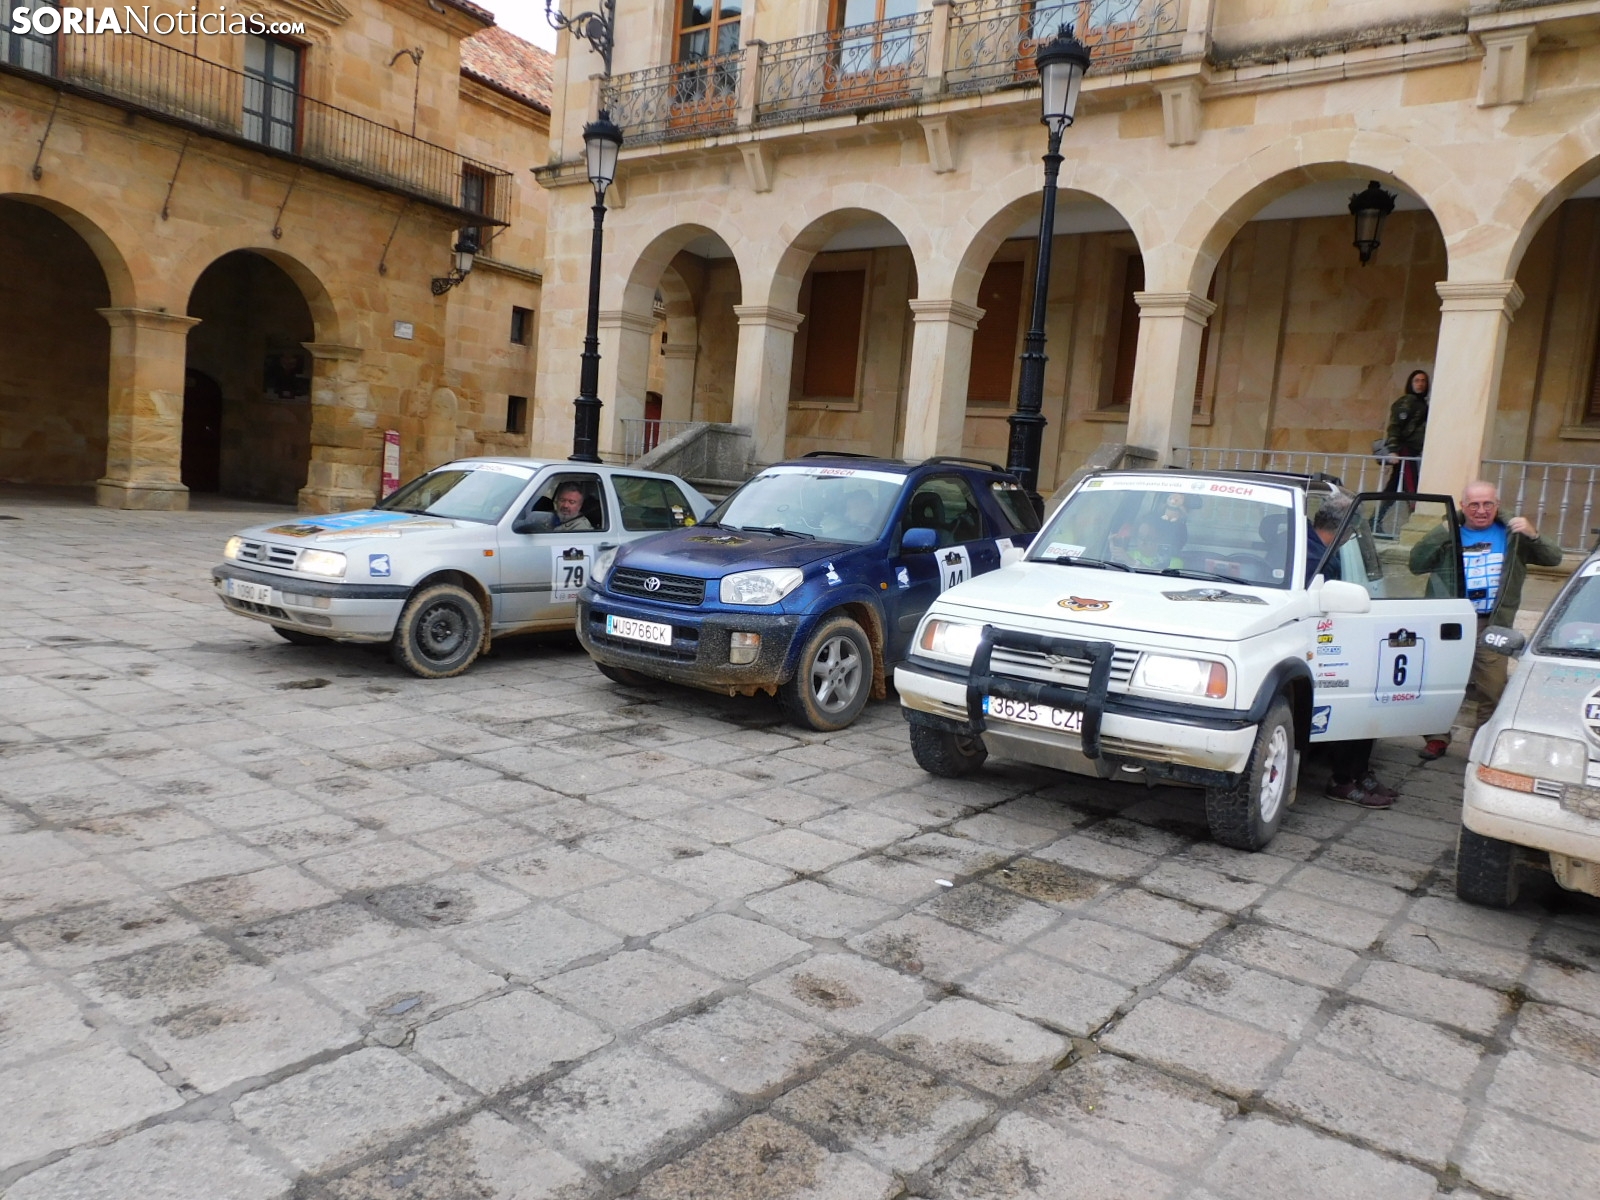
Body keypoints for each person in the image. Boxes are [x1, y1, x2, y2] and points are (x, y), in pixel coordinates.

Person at [1410, 479, 1563, 760]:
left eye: (1487, 504)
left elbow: (1554, 558)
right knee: (1439, 684)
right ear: (1463, 506)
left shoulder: (1513, 534)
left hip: (1492, 623)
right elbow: (1416, 564)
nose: (1481, 510)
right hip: (1451, 623)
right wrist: (1441, 531)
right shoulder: (1449, 532)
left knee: (1492, 690)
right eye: (1474, 505)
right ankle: (1436, 737)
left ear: (1497, 505)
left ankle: (1480, 746)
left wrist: (1533, 534)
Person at [1311, 496, 1398, 807]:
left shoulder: (1320, 548)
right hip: (1320, 646)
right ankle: (1343, 779)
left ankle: (1359, 772)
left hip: (1332, 638)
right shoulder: (1317, 556)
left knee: (1366, 700)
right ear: (1345, 529)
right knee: (1355, 702)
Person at [1374, 369, 1430, 533]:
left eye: (1423, 381)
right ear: (1410, 383)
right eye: (1416, 381)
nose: (1420, 384)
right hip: (1405, 451)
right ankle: (1415, 524)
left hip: (1412, 451)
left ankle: (1374, 522)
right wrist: (1392, 450)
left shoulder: (1421, 403)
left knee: (1393, 488)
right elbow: (1394, 427)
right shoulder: (1407, 402)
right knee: (1411, 487)